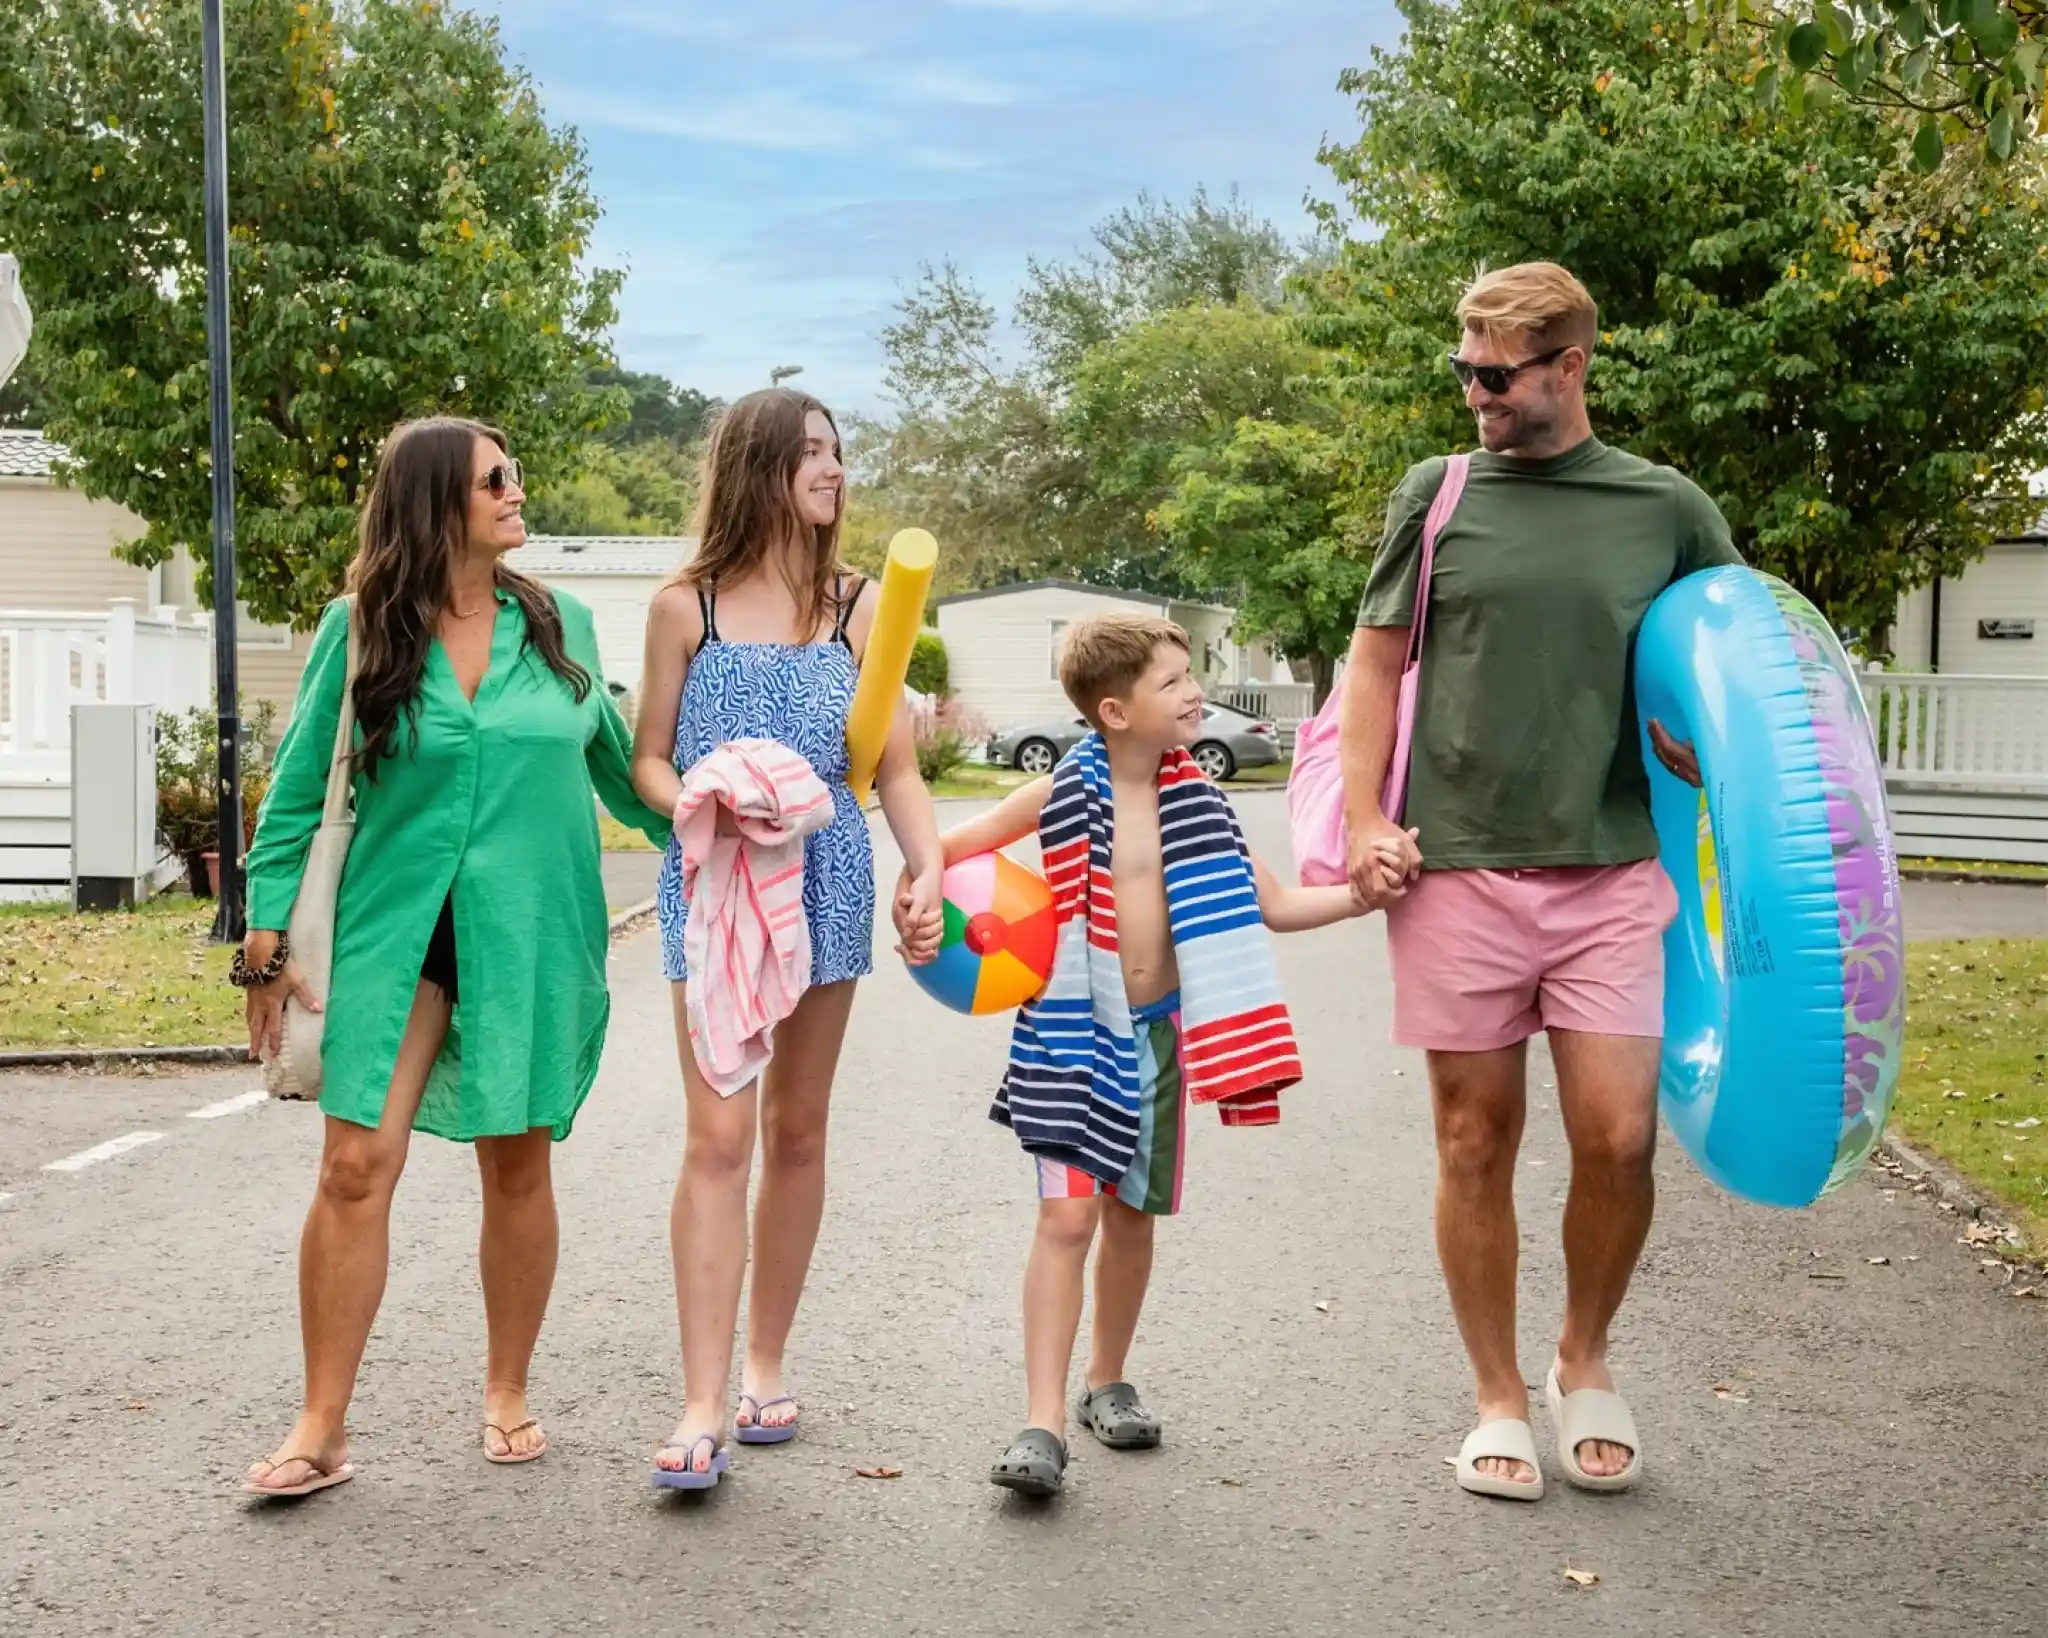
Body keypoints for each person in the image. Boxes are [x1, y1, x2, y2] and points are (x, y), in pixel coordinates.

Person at [1340, 262, 1737, 1501]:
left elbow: (1724, 656)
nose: (1473, 392)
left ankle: (1582, 1354)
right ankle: (1497, 1395)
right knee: (1473, 1140)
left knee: (1617, 1137)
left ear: (1569, 365)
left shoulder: (1661, 506)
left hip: (1611, 864)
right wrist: (1362, 818)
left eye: (1495, 373)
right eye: (1462, 368)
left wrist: (1694, 739)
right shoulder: (1438, 493)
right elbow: (1371, 665)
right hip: (1454, 865)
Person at [238, 417, 669, 1498]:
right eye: (494, 480)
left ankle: (507, 1391)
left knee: (516, 1165)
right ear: (437, 504)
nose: (517, 492)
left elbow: (624, 772)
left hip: (527, 929)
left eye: (513, 473)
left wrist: (736, 829)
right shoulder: (360, 628)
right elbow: (297, 792)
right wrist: (262, 936)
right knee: (351, 1170)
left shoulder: (559, 623)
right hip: (397, 930)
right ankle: (320, 1426)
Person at [926, 614, 1403, 1498]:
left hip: (1160, 1038)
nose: (1194, 694)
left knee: (1131, 1219)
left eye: (1192, 675)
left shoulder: (1203, 800)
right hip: (1071, 1031)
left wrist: (1361, 899)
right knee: (1067, 1220)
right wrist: (922, 902)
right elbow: (963, 844)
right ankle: (1040, 1422)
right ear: (1114, 710)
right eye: (1173, 682)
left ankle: (1105, 1381)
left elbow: (1275, 904)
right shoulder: (1063, 791)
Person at [632, 388, 944, 1489]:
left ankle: (766, 1364)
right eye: (811, 453)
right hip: (716, 880)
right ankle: (701, 1399)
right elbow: (648, 759)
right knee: (718, 1137)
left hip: (828, 880)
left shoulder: (864, 606)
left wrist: (927, 864)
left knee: (798, 1132)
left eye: (837, 452)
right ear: (759, 467)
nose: (833, 471)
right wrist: (702, 798)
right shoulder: (685, 608)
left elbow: (892, 765)